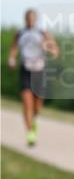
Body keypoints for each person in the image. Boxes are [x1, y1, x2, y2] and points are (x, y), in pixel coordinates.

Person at [6, 9, 59, 147]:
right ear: (25, 19)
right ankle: (30, 133)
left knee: (37, 107)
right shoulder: (20, 33)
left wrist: (47, 47)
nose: (30, 20)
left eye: (32, 18)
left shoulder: (43, 33)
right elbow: (13, 48)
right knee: (26, 103)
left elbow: (55, 51)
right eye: (28, 18)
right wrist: (11, 58)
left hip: (39, 71)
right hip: (25, 70)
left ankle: (33, 120)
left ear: (36, 19)